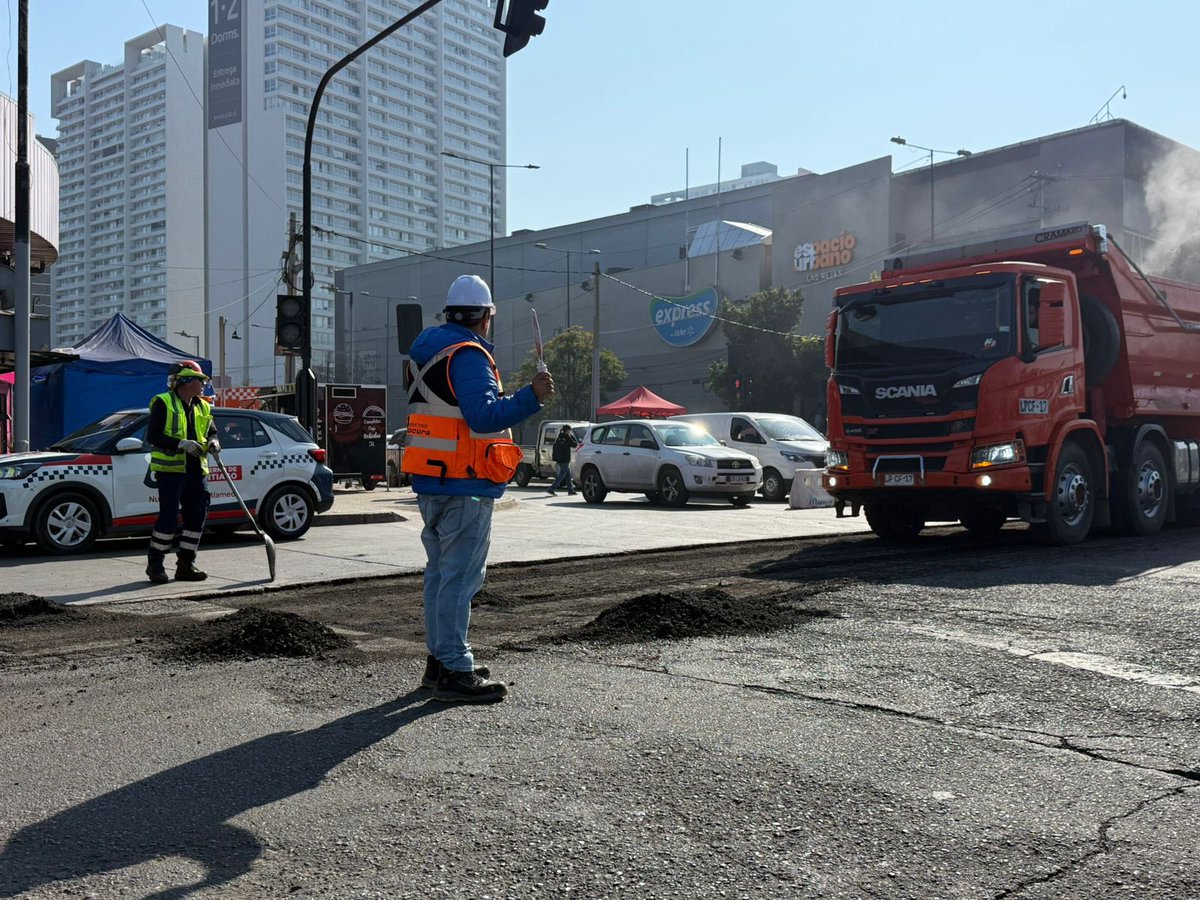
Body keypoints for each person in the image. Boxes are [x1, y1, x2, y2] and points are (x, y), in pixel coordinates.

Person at [402, 274, 554, 703]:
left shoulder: (424, 353)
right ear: (486, 316)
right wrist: (531, 396)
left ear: (450, 313)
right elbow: (483, 416)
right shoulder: (468, 354)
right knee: (461, 577)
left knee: (440, 575)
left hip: (432, 479)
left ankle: (440, 661)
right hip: (464, 481)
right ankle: (454, 668)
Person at [146, 360, 220, 584]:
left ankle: (186, 565)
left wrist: (214, 442)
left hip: (197, 471)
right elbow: (153, 436)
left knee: (196, 518)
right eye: (200, 380)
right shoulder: (163, 402)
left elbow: (212, 430)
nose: (203, 385)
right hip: (171, 472)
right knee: (168, 519)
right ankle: (155, 565)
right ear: (186, 381)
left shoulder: (203, 406)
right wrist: (181, 444)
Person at [547, 424, 579, 496]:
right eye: (569, 431)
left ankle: (570, 490)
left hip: (559, 458)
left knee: (568, 475)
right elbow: (574, 444)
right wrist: (572, 436)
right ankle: (551, 489)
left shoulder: (559, 437)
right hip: (565, 459)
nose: (570, 432)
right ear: (567, 430)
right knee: (562, 474)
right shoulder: (567, 437)